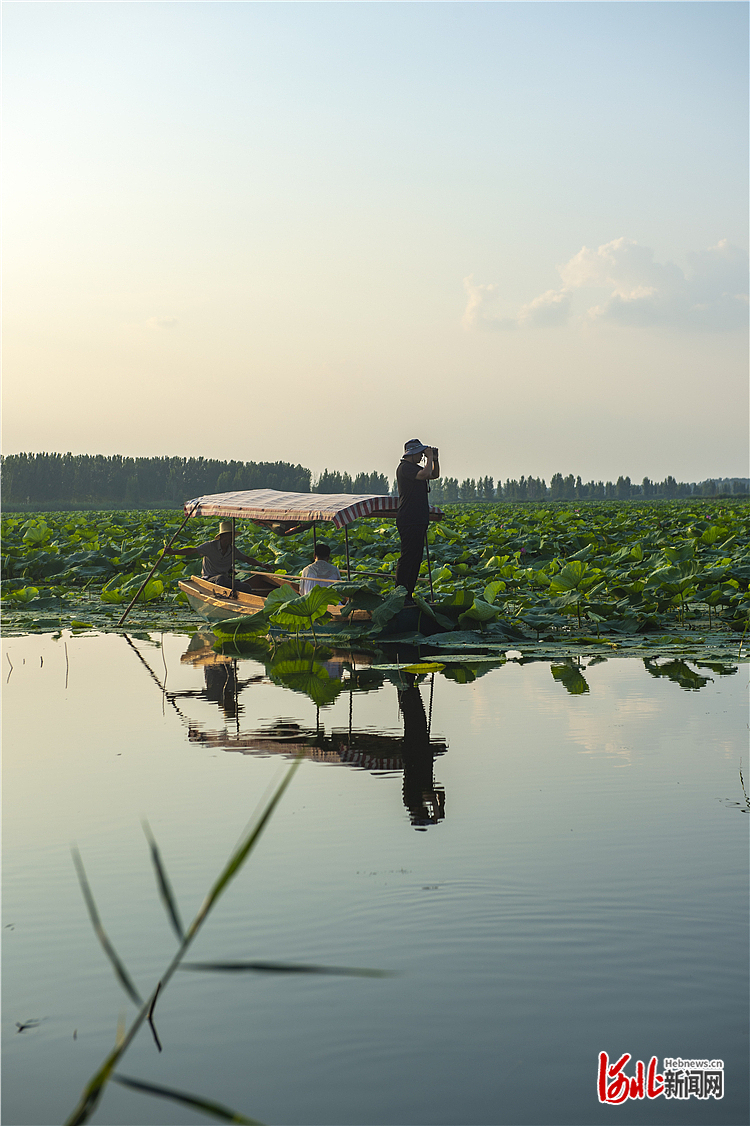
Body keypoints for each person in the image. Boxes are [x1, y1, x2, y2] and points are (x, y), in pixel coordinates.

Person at [165, 521, 268, 592]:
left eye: (232, 536)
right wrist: (173, 552)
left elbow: (247, 559)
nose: (231, 538)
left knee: (246, 587)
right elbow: (192, 551)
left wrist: (262, 565)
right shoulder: (210, 546)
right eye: (228, 536)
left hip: (225, 580)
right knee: (220, 579)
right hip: (209, 579)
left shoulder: (232, 550)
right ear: (222, 536)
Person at [395, 439, 440, 601]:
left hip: (419, 518)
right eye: (420, 453)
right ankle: (400, 593)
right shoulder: (405, 468)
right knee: (407, 557)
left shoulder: (414, 468)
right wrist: (429, 459)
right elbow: (426, 474)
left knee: (416, 558)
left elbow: (434, 474)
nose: (422, 456)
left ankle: (408, 593)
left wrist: (434, 459)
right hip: (409, 519)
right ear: (411, 453)